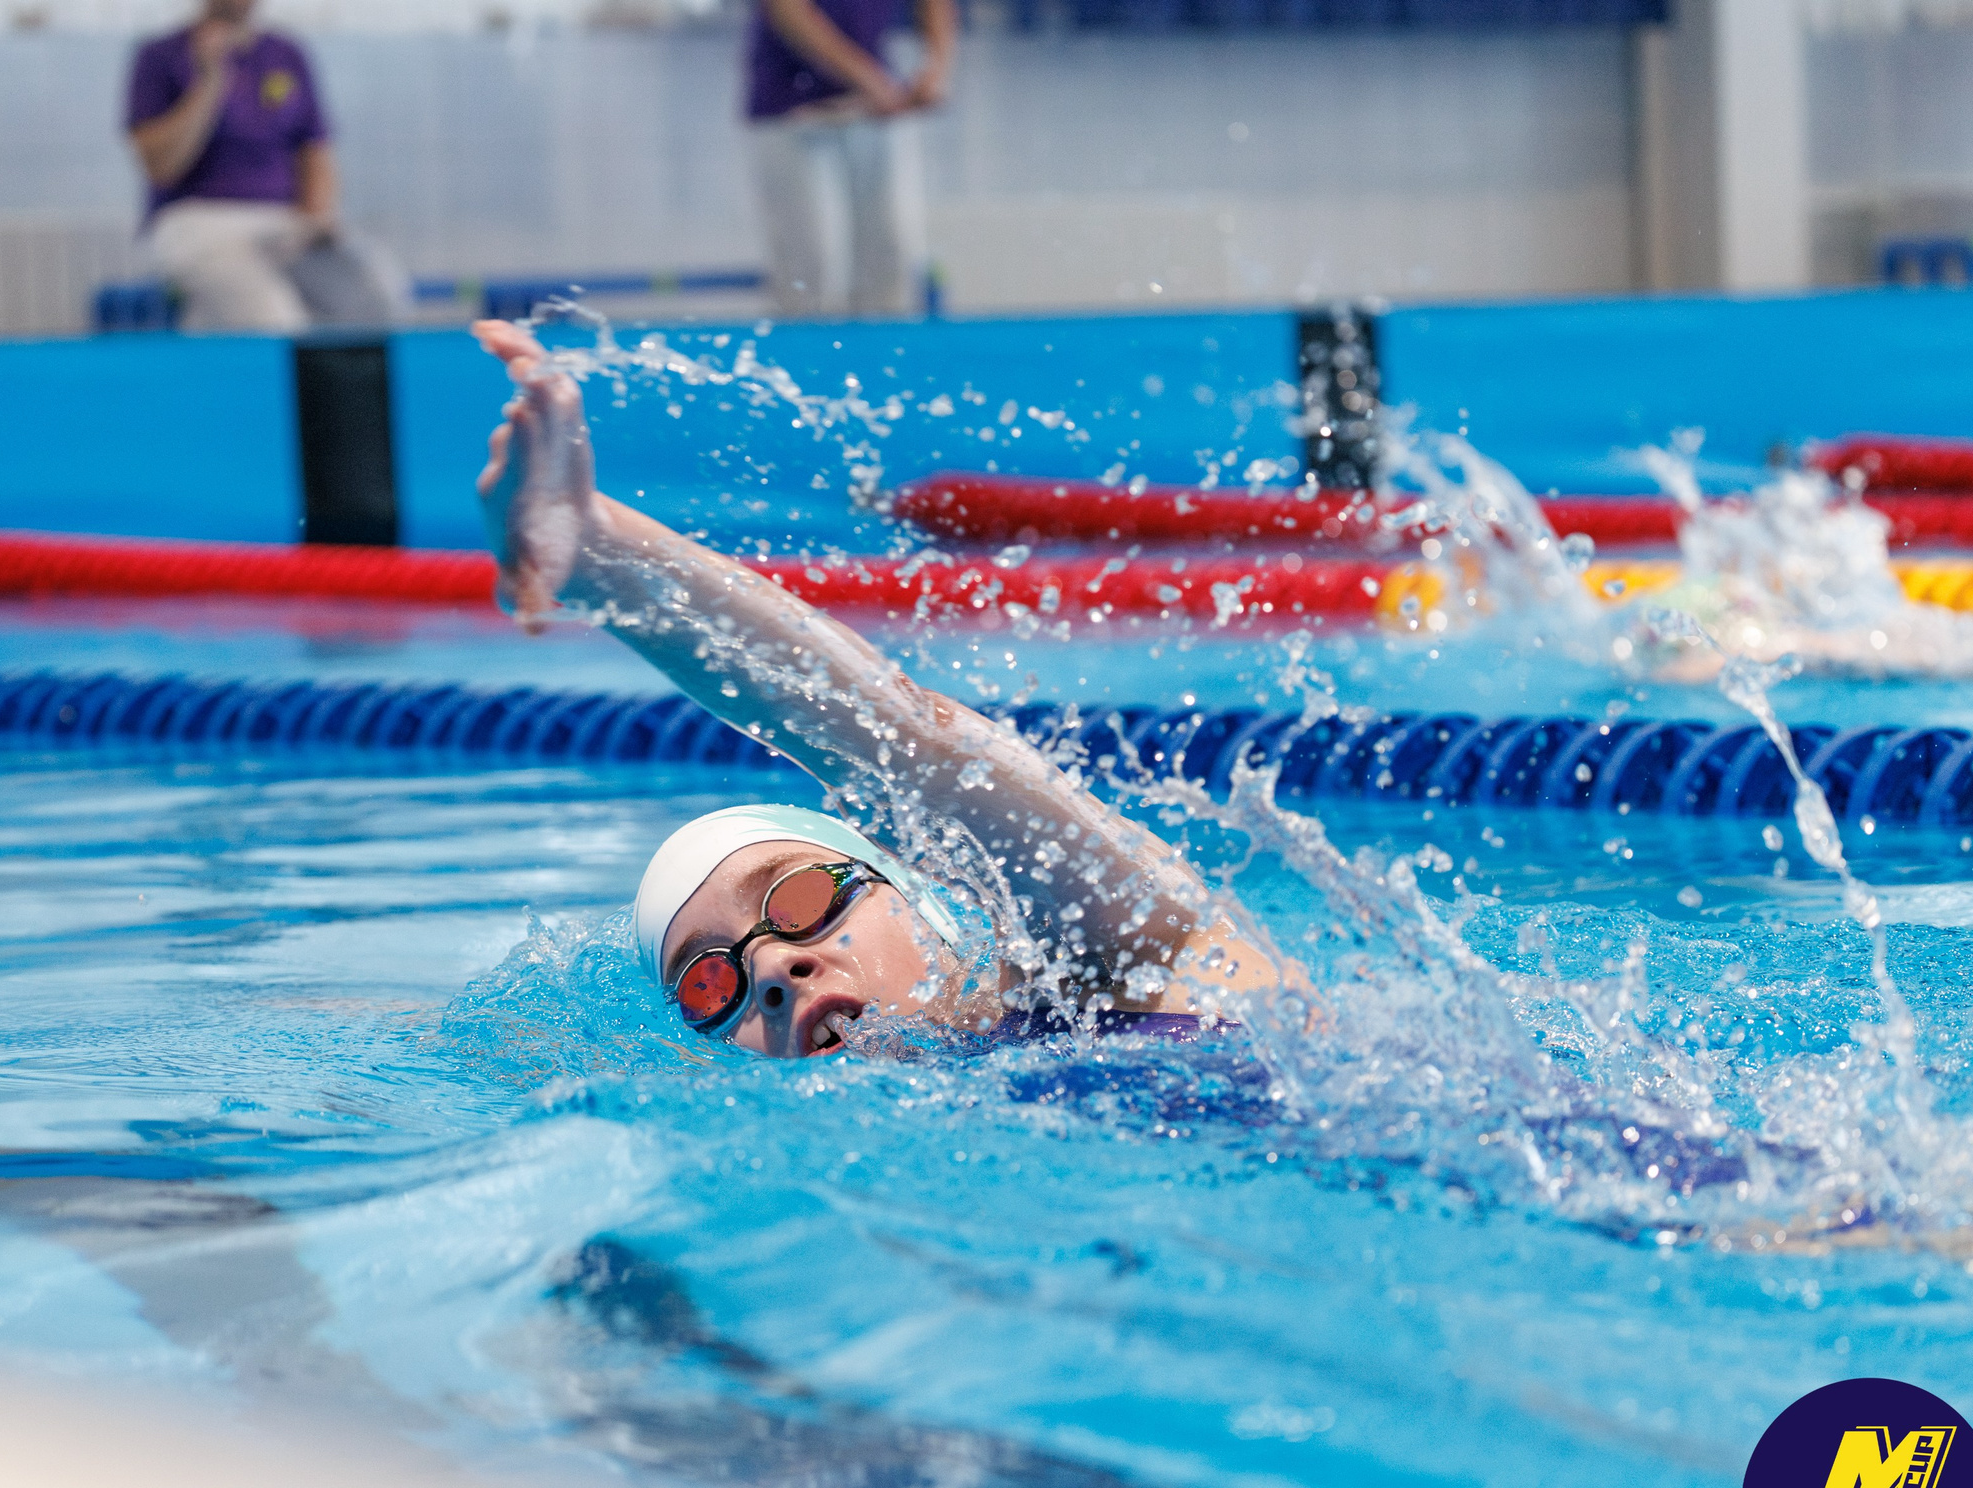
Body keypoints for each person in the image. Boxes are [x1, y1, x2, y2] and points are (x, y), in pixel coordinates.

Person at [472, 320, 1293, 1059]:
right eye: (708, 988)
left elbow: (909, 744)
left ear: (923, 899)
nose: (770, 965)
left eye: (797, 900)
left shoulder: (1122, 967)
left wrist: (597, 557)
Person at [125, 0, 400, 332]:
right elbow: (161, 166)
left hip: (282, 222)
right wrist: (211, 82)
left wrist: (317, 219)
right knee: (273, 316)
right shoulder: (160, 56)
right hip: (197, 222)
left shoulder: (286, 55)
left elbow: (315, 150)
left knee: (376, 291)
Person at [744, 0, 956, 318]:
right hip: (791, 111)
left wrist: (937, 66)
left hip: (873, 112)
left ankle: (879, 363)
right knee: (810, 271)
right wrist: (866, 78)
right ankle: (802, 363)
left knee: (888, 266)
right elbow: (786, 9)